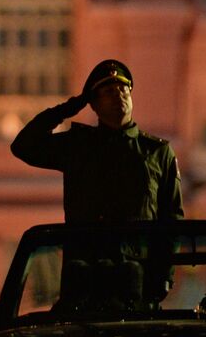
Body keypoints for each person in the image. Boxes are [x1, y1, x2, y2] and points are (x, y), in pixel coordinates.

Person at [11, 59, 183, 223]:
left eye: (123, 89)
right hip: (89, 254)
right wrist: (67, 109)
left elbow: (173, 220)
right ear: (93, 104)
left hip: (138, 254)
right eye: (109, 92)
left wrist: (161, 255)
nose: (119, 95)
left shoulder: (157, 152)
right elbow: (24, 146)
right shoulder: (78, 146)